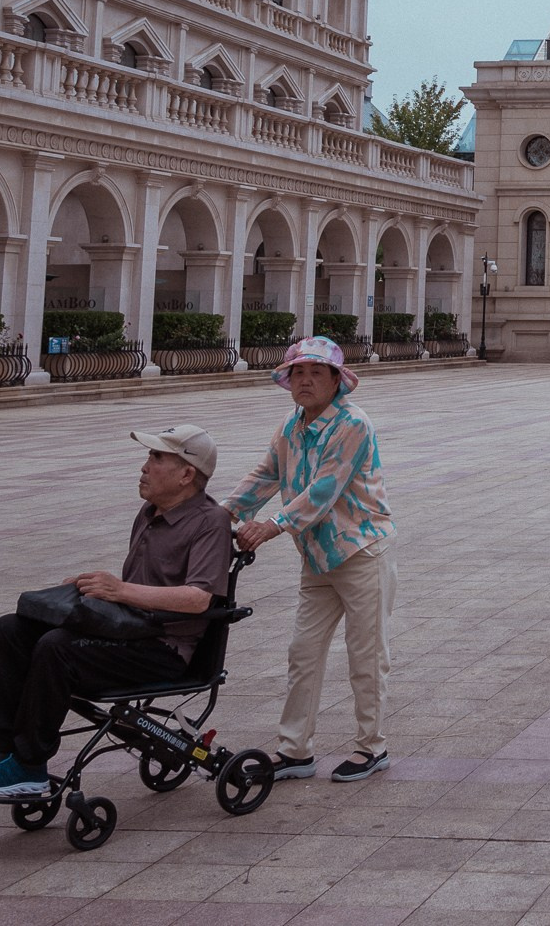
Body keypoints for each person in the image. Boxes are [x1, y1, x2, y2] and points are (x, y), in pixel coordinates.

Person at [0, 424, 232, 799]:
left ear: (187, 474)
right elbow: (139, 584)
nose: (145, 466)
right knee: (9, 630)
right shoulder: (149, 511)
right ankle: (2, 750)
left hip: (164, 649)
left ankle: (30, 766)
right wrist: (91, 584)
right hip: (127, 630)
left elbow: (199, 599)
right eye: (149, 456)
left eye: (157, 457)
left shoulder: (211, 521)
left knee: (57, 646)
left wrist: (121, 589)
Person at [229, 335, 397, 783]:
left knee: (366, 655)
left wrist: (270, 526)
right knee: (302, 653)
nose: (305, 380)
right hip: (317, 557)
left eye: (315, 373)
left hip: (361, 553)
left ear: (336, 381)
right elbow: (266, 473)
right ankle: (295, 750)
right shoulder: (292, 424)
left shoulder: (352, 424)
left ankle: (371, 747)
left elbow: (324, 491)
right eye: (298, 372)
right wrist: (221, 514)